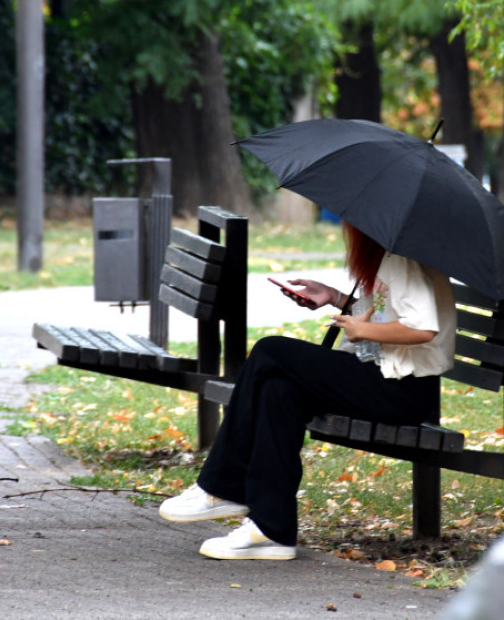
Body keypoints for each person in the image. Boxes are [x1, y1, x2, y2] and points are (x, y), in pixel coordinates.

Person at [158, 222, 457, 560]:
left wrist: (365, 329)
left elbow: (422, 329)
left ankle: (221, 487)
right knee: (279, 390)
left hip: (402, 391)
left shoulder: (403, 257)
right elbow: (391, 312)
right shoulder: (393, 255)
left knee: (270, 351)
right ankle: (270, 531)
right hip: (387, 380)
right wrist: (335, 297)